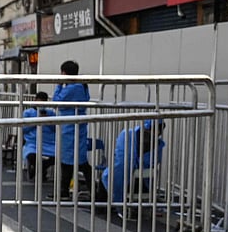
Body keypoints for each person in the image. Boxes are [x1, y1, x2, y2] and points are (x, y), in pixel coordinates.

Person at [52, 60, 95, 198]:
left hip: (69, 126)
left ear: (64, 73)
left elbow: (57, 101)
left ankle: (65, 191)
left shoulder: (72, 88)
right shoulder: (81, 85)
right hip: (77, 125)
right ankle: (90, 189)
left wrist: (58, 85)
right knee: (77, 160)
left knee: (70, 160)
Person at [101, 119, 165, 202]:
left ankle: (105, 206)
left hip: (126, 182)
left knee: (106, 177)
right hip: (144, 185)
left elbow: (120, 158)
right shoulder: (157, 145)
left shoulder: (128, 135)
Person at [22, 91, 57, 183]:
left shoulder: (51, 113)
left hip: (49, 142)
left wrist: (47, 120)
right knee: (31, 155)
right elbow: (24, 129)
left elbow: (55, 128)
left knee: (58, 156)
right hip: (33, 142)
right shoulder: (27, 113)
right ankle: (41, 171)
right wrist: (36, 122)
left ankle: (38, 169)